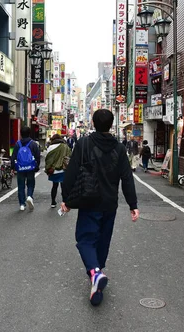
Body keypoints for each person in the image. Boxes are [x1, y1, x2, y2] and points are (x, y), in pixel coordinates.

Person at [61, 109, 140, 306]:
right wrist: (133, 204)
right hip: (110, 203)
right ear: (111, 125)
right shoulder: (119, 148)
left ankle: (95, 273)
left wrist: (67, 200)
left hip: (89, 199)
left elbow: (71, 172)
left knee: (86, 239)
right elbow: (127, 177)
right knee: (103, 240)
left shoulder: (84, 143)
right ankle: (97, 276)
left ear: (93, 123)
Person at [10, 126, 41, 212]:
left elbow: (14, 156)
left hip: (20, 168)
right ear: (29, 133)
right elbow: (37, 156)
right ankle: (29, 196)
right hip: (30, 167)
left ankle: (22, 204)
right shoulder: (33, 144)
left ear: (21, 134)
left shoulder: (17, 144)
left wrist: (13, 167)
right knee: (30, 183)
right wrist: (36, 166)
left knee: (21, 186)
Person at [45, 134, 71, 208]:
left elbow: (48, 159)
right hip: (63, 169)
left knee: (54, 186)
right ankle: (65, 201)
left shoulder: (50, 147)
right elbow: (69, 156)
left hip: (53, 170)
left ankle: (53, 202)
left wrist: (48, 168)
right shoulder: (65, 146)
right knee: (63, 186)